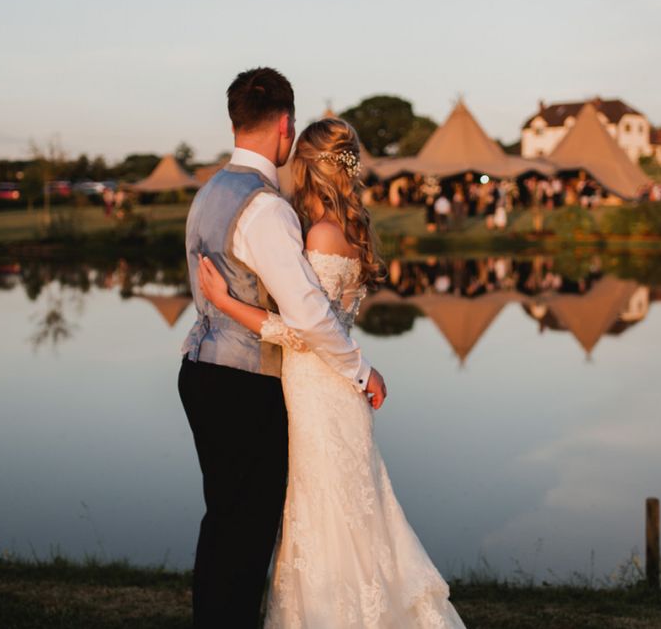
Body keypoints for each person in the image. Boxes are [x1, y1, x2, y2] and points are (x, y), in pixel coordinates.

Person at [197, 117, 466, 628]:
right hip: (330, 391)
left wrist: (225, 303)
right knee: (347, 520)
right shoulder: (345, 230)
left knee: (326, 521)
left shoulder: (320, 234)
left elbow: (305, 331)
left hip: (318, 394)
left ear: (309, 168)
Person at [179, 67, 387, 629]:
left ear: (233, 120)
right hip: (246, 380)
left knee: (222, 521)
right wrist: (360, 367)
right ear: (285, 126)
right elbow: (310, 314)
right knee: (245, 533)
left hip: (199, 368)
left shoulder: (209, 194)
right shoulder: (267, 208)